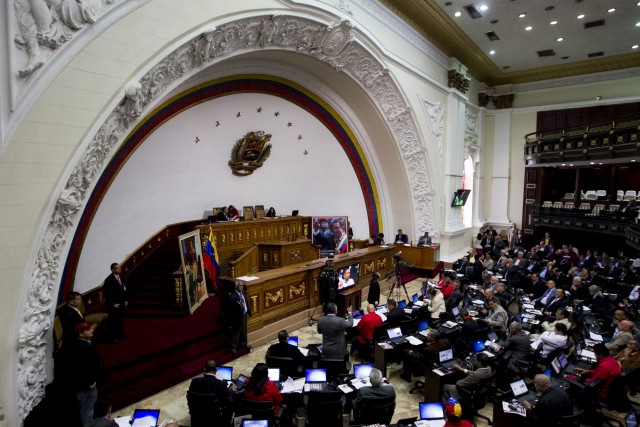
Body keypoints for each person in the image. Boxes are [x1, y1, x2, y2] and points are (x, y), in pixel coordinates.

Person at [67, 322, 104, 427]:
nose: (92, 330)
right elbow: (81, 368)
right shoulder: (81, 348)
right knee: (87, 408)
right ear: (81, 334)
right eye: (88, 330)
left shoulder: (86, 342)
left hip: (88, 382)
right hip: (86, 385)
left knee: (89, 407)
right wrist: (90, 382)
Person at [103, 262, 128, 343]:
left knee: (120, 319)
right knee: (113, 321)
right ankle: (113, 337)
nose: (119, 269)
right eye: (117, 268)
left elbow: (124, 289)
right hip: (114, 304)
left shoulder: (122, 276)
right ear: (113, 270)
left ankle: (121, 334)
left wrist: (126, 300)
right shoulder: (108, 280)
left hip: (122, 303)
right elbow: (107, 294)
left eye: (120, 267)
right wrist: (113, 304)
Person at [229, 281, 251, 356]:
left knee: (244, 331)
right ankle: (233, 349)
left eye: (242, 286)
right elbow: (231, 309)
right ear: (236, 287)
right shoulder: (233, 296)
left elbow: (246, 302)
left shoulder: (243, 293)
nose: (242, 287)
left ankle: (243, 344)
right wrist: (239, 308)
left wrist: (248, 311)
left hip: (244, 315)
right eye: (240, 286)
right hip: (237, 317)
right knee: (236, 333)